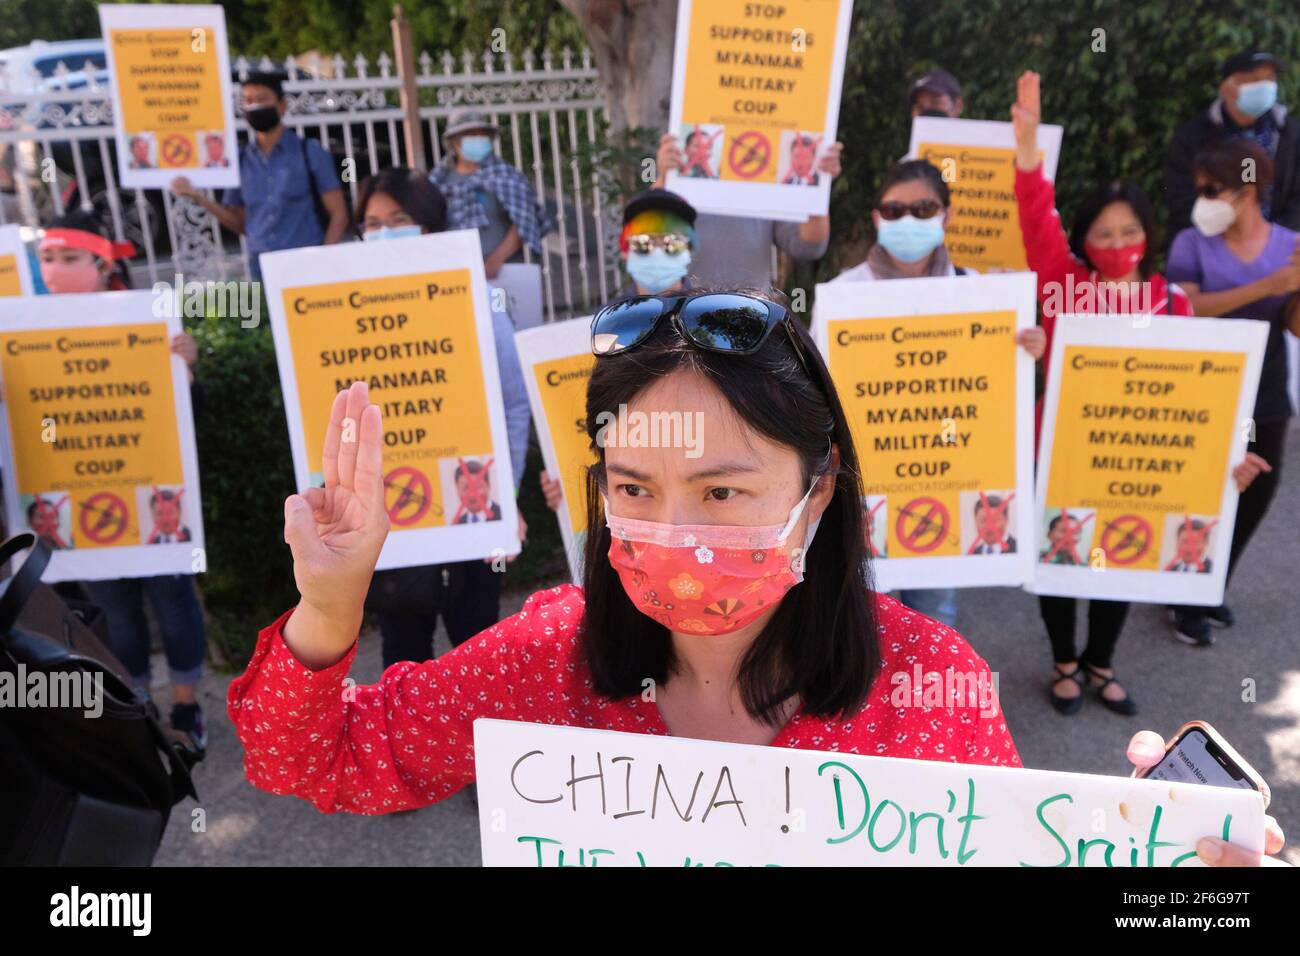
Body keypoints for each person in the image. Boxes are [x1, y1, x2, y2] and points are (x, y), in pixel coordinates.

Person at [225, 291, 1284, 868]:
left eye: (723, 491)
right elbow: (311, 761)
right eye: (632, 485)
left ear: (816, 498)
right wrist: (329, 608)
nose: (671, 529)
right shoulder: (547, 657)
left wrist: (1168, 888)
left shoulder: (931, 685)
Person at [1013, 71, 1267, 711]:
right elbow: (1036, 217)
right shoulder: (1061, 283)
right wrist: (1027, 155)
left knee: (1117, 557)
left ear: (1148, 236)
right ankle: (1064, 662)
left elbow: (1196, 400)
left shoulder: (1171, 301)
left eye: (1130, 233)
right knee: (1059, 558)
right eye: (1104, 233)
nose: (1118, 245)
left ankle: (1101, 664)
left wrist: (1224, 461)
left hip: (1137, 460)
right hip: (1061, 451)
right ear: (1084, 240)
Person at [829, 158, 1047, 628]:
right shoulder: (841, 296)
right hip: (871, 488)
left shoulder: (982, 296)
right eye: (894, 210)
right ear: (875, 217)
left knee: (934, 623)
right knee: (865, 624)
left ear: (946, 215)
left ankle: (932, 701)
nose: (907, 220)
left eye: (924, 209)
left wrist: (1029, 351)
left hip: (949, 485)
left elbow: (997, 394)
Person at [36, 210, 210, 748]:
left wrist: (187, 370)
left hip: (155, 491)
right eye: (48, 258)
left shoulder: (148, 321)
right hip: (81, 497)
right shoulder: (24, 333)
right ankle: (137, 707)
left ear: (100, 263)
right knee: (115, 614)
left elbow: (189, 416)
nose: (56, 269)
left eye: (69, 258)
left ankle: (185, 708)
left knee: (174, 599)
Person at [350, 167, 530, 670]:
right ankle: (410, 751)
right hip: (393, 518)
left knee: (481, 658)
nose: (384, 232)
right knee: (401, 658)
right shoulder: (346, 315)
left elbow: (513, 403)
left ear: (429, 227)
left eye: (398, 219)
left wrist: (505, 497)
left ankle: (486, 751)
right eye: (372, 222)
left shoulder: (475, 299)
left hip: (470, 507)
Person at [1163, 137, 1300, 645]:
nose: (1204, 199)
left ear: (1251, 190)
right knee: (1202, 490)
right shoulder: (1189, 243)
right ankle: (1186, 595)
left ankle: (1210, 582)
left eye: (1214, 189)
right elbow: (1188, 307)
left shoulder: (1290, 244)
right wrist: (1267, 287)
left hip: (1265, 387)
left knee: (1257, 492)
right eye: (1200, 189)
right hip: (1204, 386)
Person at [539, 188, 699, 511]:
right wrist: (566, 477)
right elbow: (587, 420)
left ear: (689, 250)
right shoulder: (602, 329)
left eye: (670, 243)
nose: (656, 254)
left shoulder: (711, 323)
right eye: (643, 244)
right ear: (625, 251)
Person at [168, 72, 348, 282]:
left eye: (262, 99)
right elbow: (241, 224)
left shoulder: (310, 153)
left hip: (307, 262)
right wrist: (199, 198)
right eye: (248, 101)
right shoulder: (241, 159)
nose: (255, 107)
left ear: (282, 106)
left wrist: (324, 258)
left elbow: (339, 214)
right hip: (261, 266)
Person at [652, 133, 843, 287]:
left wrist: (818, 186)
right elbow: (645, 241)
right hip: (681, 321)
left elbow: (808, 246)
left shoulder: (767, 183)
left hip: (752, 321)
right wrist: (663, 179)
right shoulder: (680, 181)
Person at [1164, 50, 1300, 235]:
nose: (1265, 86)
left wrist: (1273, 241)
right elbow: (1181, 199)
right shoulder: (1192, 137)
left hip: (1279, 248)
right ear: (1226, 89)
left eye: (1270, 79)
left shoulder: (1291, 134)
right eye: (1254, 79)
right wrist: (1227, 242)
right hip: (1212, 246)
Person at [428, 108, 553, 279]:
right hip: (457, 275)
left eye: (482, 134)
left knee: (502, 306)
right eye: (471, 134)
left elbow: (525, 220)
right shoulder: (438, 182)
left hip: (503, 272)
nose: (478, 139)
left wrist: (496, 260)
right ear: (454, 142)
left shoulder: (505, 176)